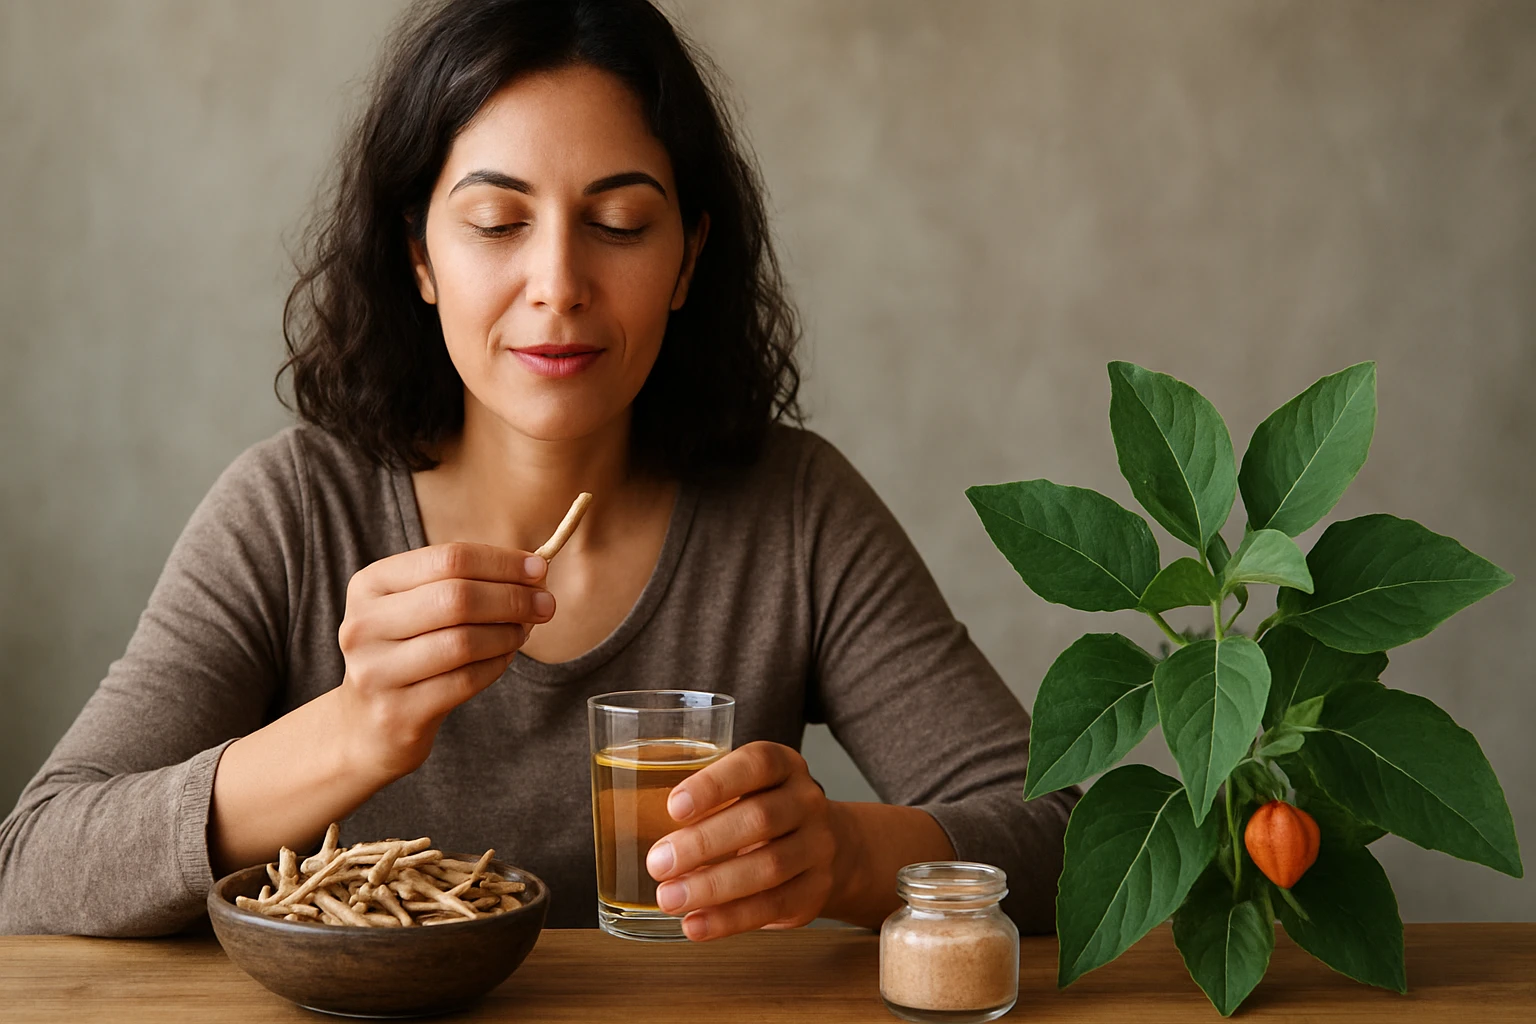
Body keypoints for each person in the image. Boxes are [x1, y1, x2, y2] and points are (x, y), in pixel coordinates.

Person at [0, 0, 1073, 939]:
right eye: (496, 221)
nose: (557, 282)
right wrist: (351, 730)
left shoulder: (794, 512)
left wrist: (844, 855)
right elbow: (37, 863)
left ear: (689, 258)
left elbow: (1067, 838)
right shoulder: (292, 510)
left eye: (617, 222)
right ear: (417, 253)